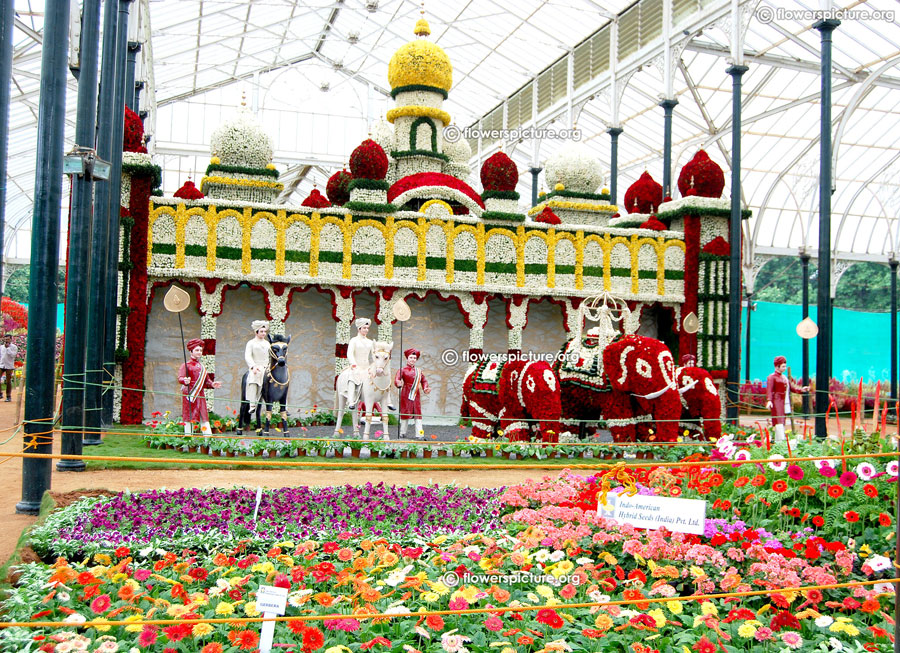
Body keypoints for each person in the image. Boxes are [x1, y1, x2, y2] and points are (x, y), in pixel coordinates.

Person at [178, 338, 221, 435]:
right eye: (197, 350)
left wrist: (212, 384)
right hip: (189, 394)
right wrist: (184, 380)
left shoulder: (202, 366)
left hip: (200, 394)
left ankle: (208, 438)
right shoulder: (185, 365)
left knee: (204, 416)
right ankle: (188, 437)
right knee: (188, 417)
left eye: (201, 350)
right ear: (191, 352)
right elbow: (180, 378)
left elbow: (207, 381)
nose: (199, 352)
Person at [766, 355, 808, 441]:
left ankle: (779, 440)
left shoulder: (784, 377)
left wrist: (802, 390)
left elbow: (792, 388)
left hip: (784, 401)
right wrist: (769, 400)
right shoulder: (772, 377)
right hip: (777, 401)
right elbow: (769, 389)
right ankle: (780, 440)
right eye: (783, 366)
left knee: (782, 420)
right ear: (777, 366)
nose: (784, 368)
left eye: (785, 366)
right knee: (778, 420)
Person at [394, 348, 431, 439]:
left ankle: (420, 434)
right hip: (406, 393)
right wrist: (398, 383)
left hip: (416, 395)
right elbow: (397, 379)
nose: (413, 359)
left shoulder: (419, 371)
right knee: (405, 413)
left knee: (418, 414)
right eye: (411, 357)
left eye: (414, 358)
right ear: (407, 358)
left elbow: (424, 381)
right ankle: (402, 433)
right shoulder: (402, 370)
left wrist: (425, 388)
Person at [345, 318, 374, 405]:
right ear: (359, 329)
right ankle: (350, 400)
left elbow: (373, 355)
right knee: (352, 377)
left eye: (367, 328)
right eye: (364, 328)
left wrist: (373, 366)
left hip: (367, 367)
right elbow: (349, 354)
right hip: (356, 366)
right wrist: (353, 364)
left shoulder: (370, 342)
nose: (366, 330)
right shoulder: (354, 340)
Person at [244, 320, 270, 407]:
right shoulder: (251, 343)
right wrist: (253, 366)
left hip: (267, 367)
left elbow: (271, 356)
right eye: (261, 331)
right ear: (256, 332)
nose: (264, 333)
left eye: (265, 332)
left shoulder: (267, 344)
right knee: (253, 378)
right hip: (257, 367)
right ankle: (252, 403)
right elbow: (248, 356)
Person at [0, 334, 17, 402]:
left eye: (8, 339)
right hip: (1, 365)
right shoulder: (1, 347)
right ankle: (0, 393)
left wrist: (8, 348)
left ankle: (8, 396)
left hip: (9, 366)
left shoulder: (14, 347)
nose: (6, 341)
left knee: (8, 381)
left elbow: (13, 355)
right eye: (5, 339)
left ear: (11, 339)